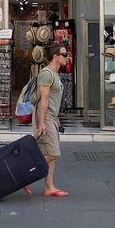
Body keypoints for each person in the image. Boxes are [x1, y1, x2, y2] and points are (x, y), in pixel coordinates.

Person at [33, 42, 69, 197]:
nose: (68, 57)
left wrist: (56, 117)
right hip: (45, 117)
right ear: (55, 56)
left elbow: (53, 99)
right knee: (53, 153)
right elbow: (44, 100)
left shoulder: (55, 74)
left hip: (51, 117)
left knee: (50, 154)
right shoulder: (46, 74)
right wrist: (42, 123)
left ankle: (49, 187)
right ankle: (25, 173)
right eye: (64, 55)